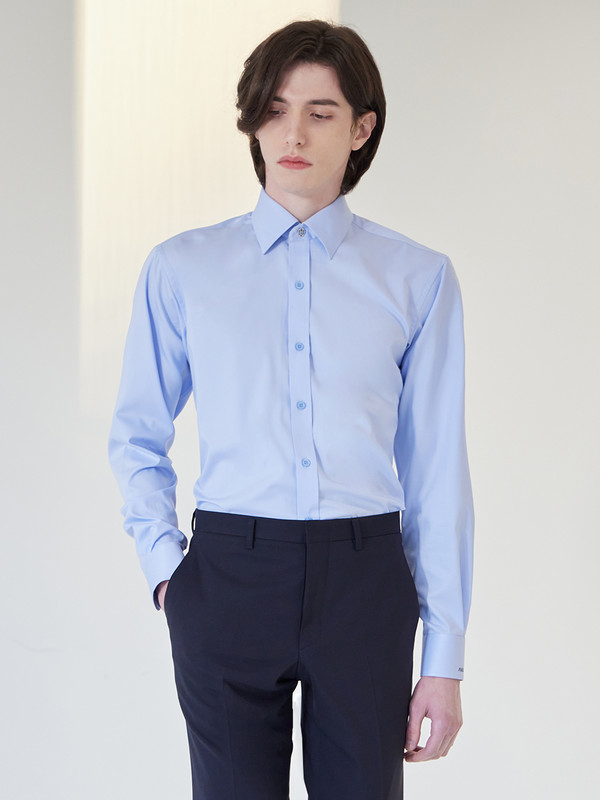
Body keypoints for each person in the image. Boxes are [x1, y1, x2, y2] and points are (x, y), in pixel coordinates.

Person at [108, 18, 474, 800]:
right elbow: (136, 434)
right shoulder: (183, 269)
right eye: (274, 110)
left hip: (365, 579)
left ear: (361, 128)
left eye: (320, 111)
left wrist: (443, 660)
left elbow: (436, 471)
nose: (293, 134)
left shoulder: (417, 278)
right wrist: (169, 573)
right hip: (227, 577)